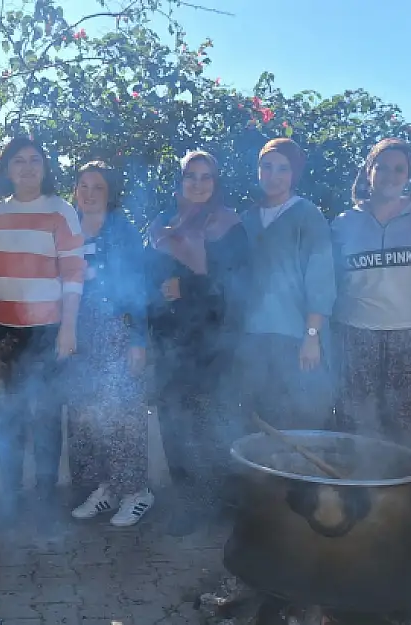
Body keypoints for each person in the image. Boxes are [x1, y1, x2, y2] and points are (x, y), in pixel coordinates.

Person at [331, 138, 411, 530]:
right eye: (382, 167)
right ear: (369, 172)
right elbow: (329, 283)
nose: (390, 175)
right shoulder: (343, 223)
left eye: (400, 168)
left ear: (409, 174)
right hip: (356, 335)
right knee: (359, 424)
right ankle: (361, 513)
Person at [0, 136, 85, 527]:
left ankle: (43, 496)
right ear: (7, 169)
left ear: (45, 167)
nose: (27, 167)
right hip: (3, 333)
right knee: (7, 416)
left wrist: (68, 330)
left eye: (35, 160)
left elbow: (74, 274)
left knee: (44, 415)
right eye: (19, 161)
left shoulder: (61, 211)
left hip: (47, 331)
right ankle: (10, 496)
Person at [147, 150, 249, 536]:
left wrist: (186, 286)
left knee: (208, 421)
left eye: (207, 177)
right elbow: (146, 276)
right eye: (191, 176)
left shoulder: (228, 225)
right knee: (173, 422)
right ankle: (189, 503)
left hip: (212, 339)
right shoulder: (161, 226)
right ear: (179, 181)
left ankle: (218, 501)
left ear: (216, 183)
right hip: (168, 340)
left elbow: (238, 281)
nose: (198, 184)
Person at [64, 161, 153, 528]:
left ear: (109, 193)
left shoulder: (124, 230)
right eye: (83, 185)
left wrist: (138, 340)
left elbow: (139, 289)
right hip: (79, 334)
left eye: (97, 187)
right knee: (88, 415)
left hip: (118, 331)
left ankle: (137, 492)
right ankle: (106, 488)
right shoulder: (68, 228)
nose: (88, 193)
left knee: (122, 414)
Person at [240, 137, 336, 431]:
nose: (273, 176)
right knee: (260, 421)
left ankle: (299, 479)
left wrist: (311, 336)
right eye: (266, 167)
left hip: (296, 337)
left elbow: (321, 279)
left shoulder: (307, 215)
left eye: (283, 168)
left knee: (297, 420)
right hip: (254, 337)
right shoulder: (246, 219)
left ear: (294, 173)